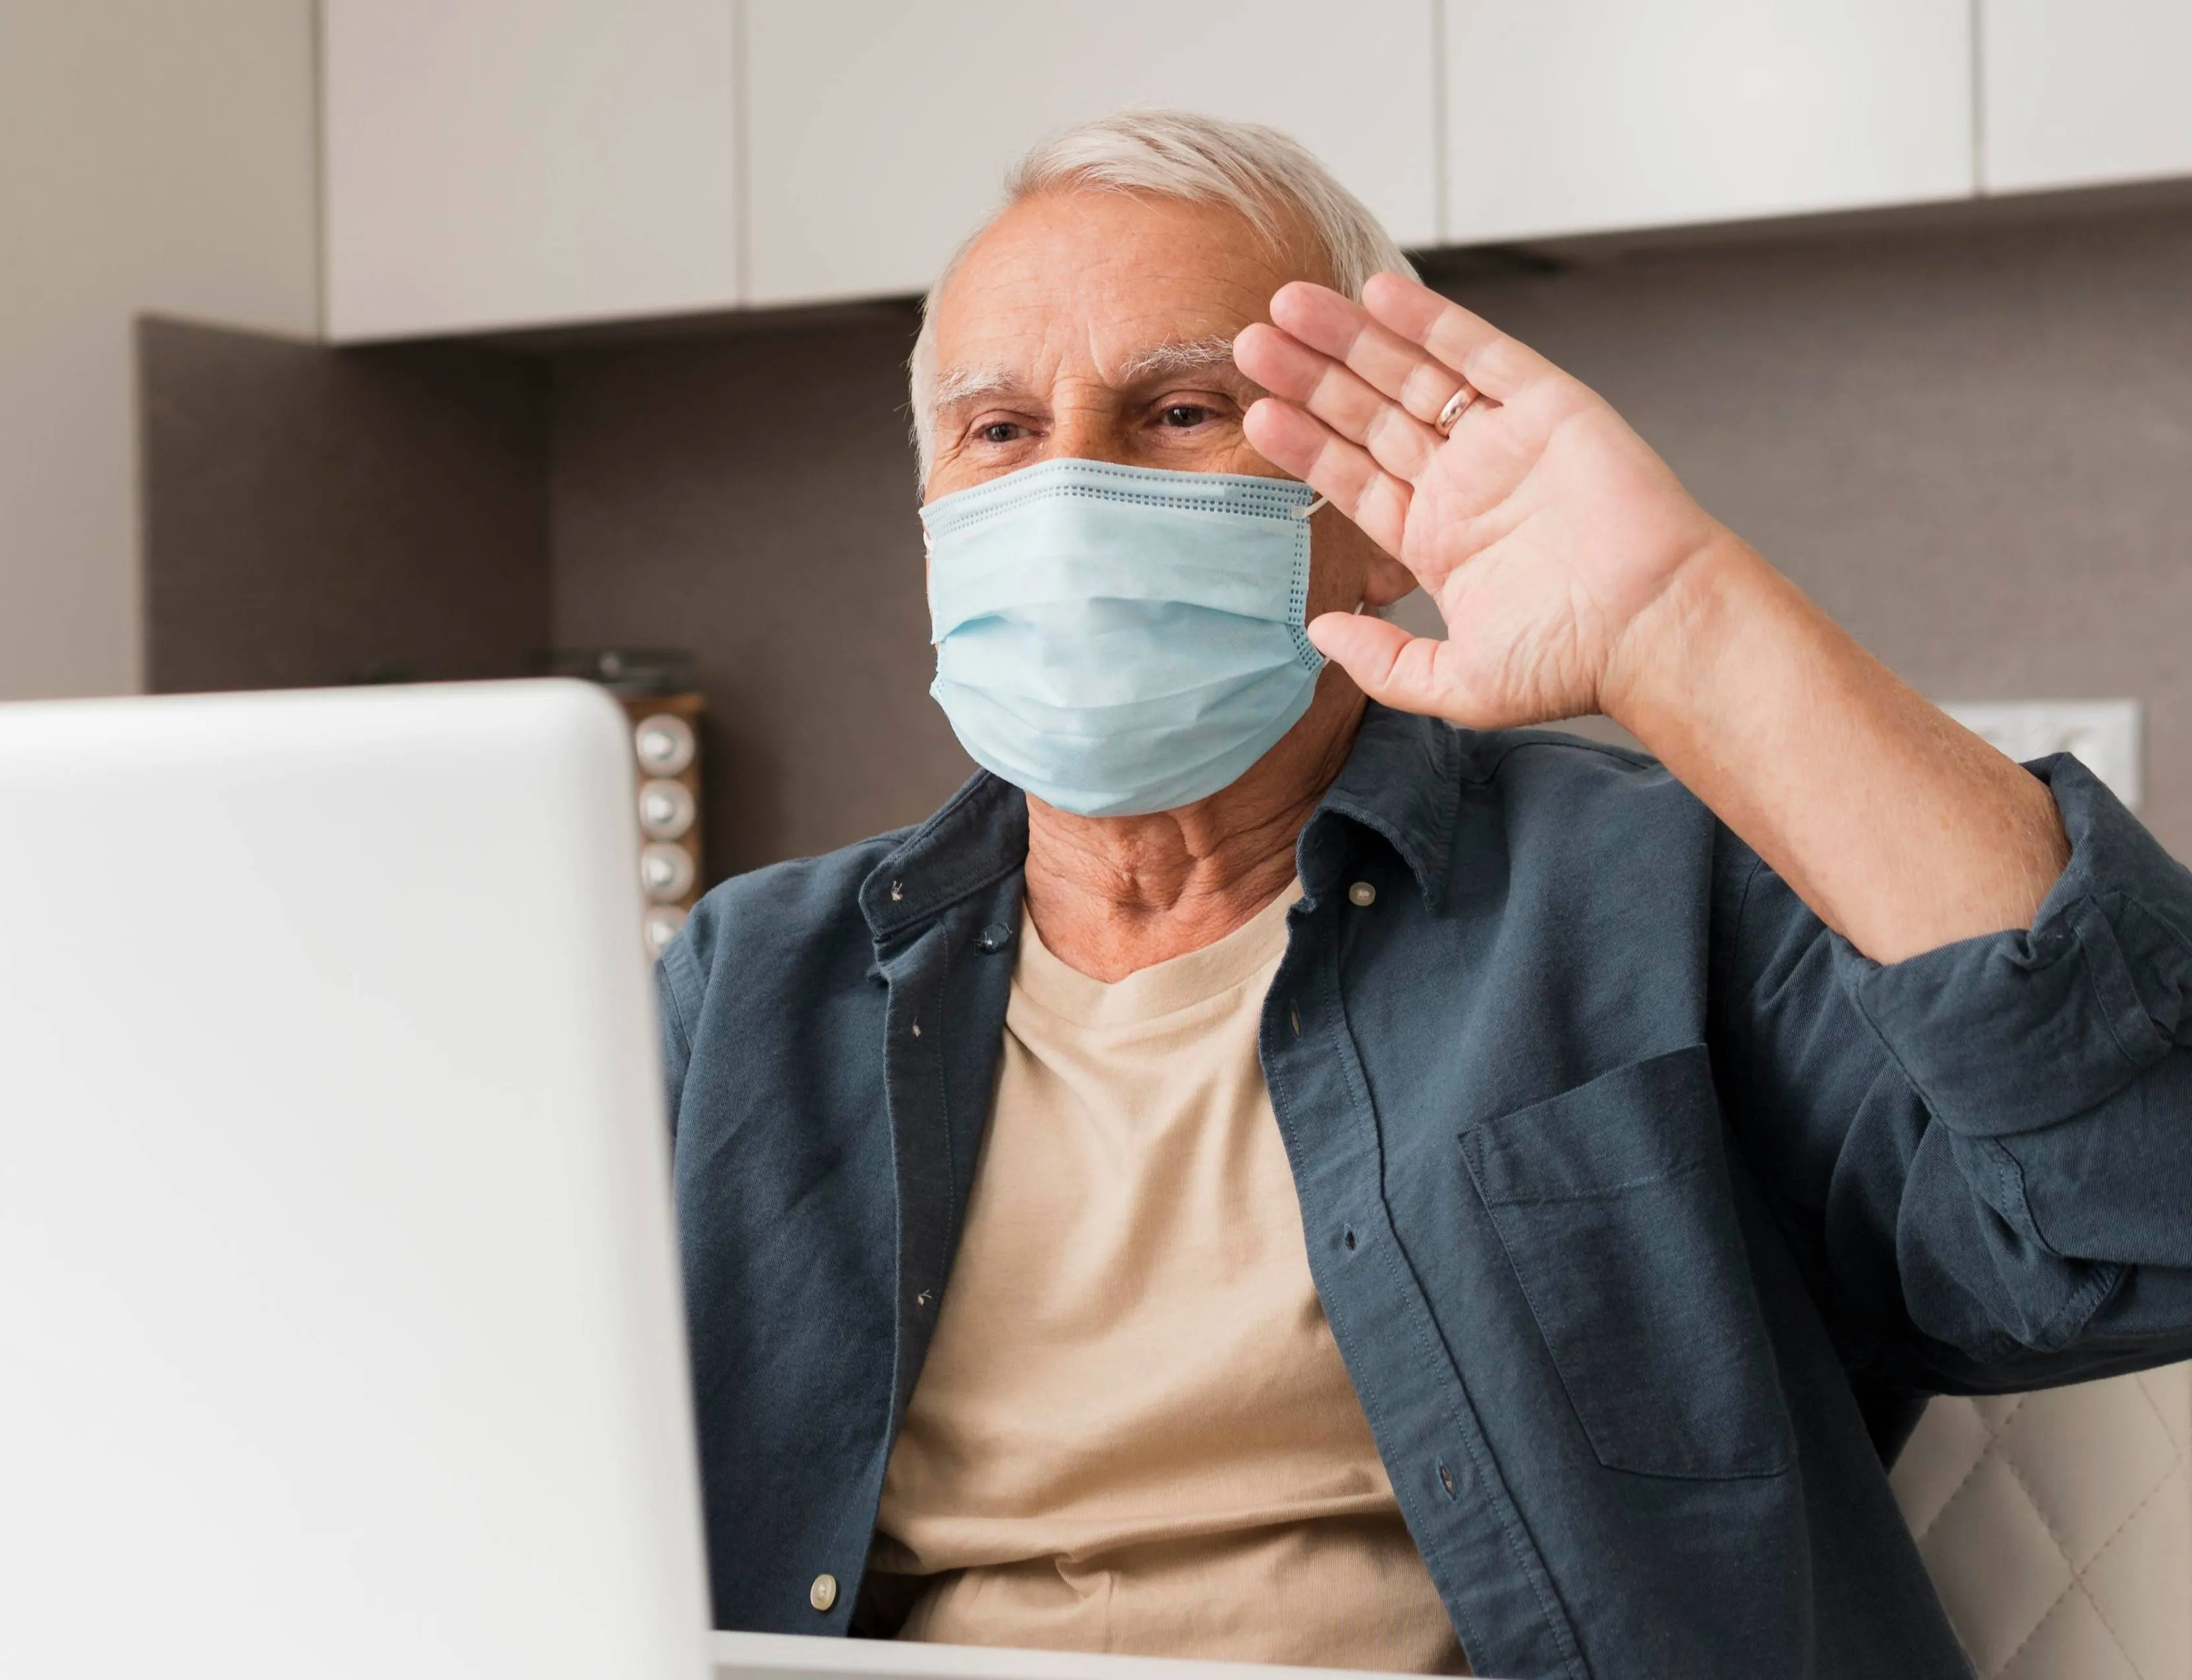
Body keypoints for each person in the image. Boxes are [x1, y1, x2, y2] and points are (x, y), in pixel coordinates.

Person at [656, 110, 2192, 1679]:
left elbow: (2143, 1214)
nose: (1067, 495)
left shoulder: (1649, 893)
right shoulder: (750, 987)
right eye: (997, 432)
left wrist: (1687, 623)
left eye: (1181, 410)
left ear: (1378, 507)